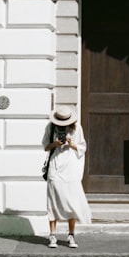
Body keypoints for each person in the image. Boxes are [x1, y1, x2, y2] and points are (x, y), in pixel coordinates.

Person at [43, 106, 91, 248]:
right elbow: (45, 146)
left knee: (71, 201)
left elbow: (83, 148)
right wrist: (55, 144)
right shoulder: (50, 127)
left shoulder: (77, 128)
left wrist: (71, 144)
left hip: (70, 167)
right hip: (55, 167)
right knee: (53, 201)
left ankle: (71, 234)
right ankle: (52, 235)